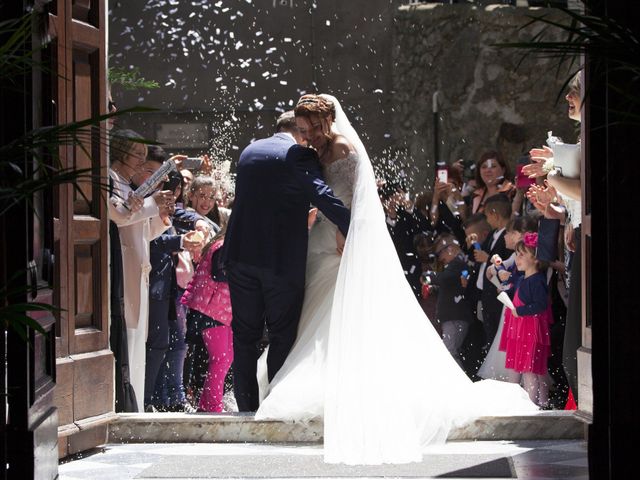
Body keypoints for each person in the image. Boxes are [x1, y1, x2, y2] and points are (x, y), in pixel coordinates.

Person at [254, 94, 537, 465]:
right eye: (303, 131)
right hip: (318, 237)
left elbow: (361, 194)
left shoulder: (342, 148)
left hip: (340, 238)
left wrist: (348, 227)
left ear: (327, 122)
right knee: (314, 305)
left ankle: (340, 385)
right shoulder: (314, 152)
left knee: (339, 308)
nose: (308, 137)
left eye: (312, 129)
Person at [224, 108, 351, 413]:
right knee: (282, 335)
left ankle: (246, 409)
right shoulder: (297, 154)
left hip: (240, 257)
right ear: (299, 131)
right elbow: (321, 194)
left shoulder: (249, 151)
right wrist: (353, 225)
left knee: (244, 337)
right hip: (280, 261)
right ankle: (274, 406)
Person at [108, 129, 176, 412]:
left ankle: (133, 401)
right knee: (128, 335)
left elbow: (142, 232)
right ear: (122, 151)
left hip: (139, 268)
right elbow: (119, 216)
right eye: (137, 153)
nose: (141, 160)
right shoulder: (111, 179)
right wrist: (151, 205)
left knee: (139, 339)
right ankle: (125, 403)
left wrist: (160, 216)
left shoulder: (125, 182)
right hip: (123, 267)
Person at [477, 214, 538, 382]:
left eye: (511, 232)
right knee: (512, 352)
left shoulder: (530, 258)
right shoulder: (514, 256)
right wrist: (496, 268)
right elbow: (496, 270)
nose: (506, 236)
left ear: (523, 234)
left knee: (524, 358)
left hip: (524, 309)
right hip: (512, 308)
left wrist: (503, 279)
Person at [499, 232, 554, 408]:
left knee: (530, 369)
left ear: (536, 259)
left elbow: (541, 304)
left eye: (522, 254)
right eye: (517, 254)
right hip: (524, 329)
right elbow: (512, 283)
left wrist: (520, 310)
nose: (517, 258)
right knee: (533, 368)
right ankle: (542, 401)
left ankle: (532, 405)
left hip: (530, 330)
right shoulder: (523, 278)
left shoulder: (537, 281)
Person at [181, 227, 233, 412]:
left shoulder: (224, 244)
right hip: (211, 309)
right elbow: (220, 273)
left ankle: (207, 404)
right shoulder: (224, 245)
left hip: (218, 309)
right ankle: (212, 406)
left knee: (225, 358)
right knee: (221, 358)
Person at [427, 234, 474, 368]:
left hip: (455, 316)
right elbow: (448, 282)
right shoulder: (457, 264)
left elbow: (445, 278)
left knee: (450, 353)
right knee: (451, 352)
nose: (440, 259)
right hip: (453, 316)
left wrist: (427, 276)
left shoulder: (459, 262)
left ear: (450, 249)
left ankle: (461, 385)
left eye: (440, 253)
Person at [470, 151, 516, 215]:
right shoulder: (476, 195)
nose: (488, 170)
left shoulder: (513, 192)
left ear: (503, 170)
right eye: (484, 167)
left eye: (493, 166)